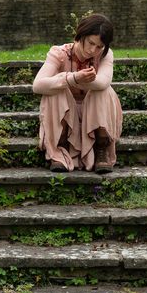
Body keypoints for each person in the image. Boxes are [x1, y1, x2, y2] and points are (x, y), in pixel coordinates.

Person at [32, 13, 123, 173]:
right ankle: (60, 148)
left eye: (99, 46)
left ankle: (100, 148)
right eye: (90, 43)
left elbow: (103, 81)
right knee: (56, 88)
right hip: (64, 113)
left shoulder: (105, 55)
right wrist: (71, 78)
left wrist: (82, 79)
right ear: (80, 35)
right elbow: (37, 85)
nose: (93, 50)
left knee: (103, 90)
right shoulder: (59, 53)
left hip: (94, 112)